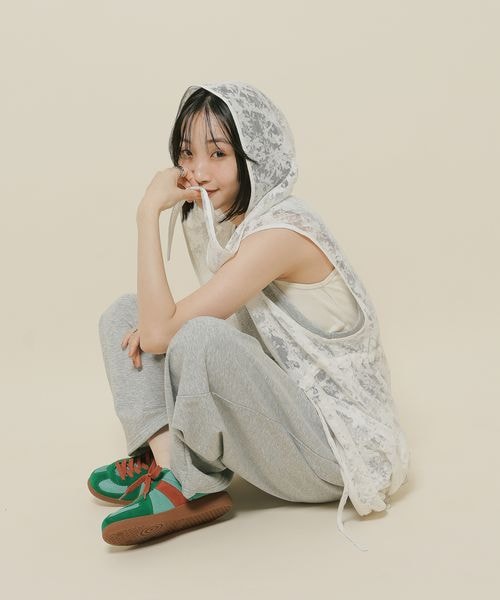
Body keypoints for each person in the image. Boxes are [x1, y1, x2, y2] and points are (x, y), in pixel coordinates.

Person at [90, 81, 410, 551]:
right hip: (280, 417)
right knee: (123, 314)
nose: (198, 171)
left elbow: (163, 334)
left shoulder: (281, 233)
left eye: (218, 154)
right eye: (187, 153)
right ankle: (168, 464)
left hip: (334, 451)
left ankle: (186, 482)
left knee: (195, 336)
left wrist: (147, 212)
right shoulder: (229, 223)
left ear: (253, 159)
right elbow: (161, 325)